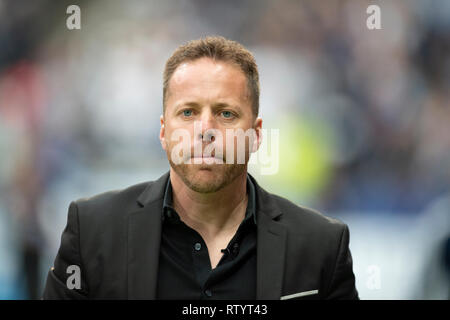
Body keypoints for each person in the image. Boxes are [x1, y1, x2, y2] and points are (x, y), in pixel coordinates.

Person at [43, 36, 358, 300]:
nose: (205, 129)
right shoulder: (92, 233)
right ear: (164, 132)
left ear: (256, 134)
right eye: (188, 112)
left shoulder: (322, 247)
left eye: (226, 114)